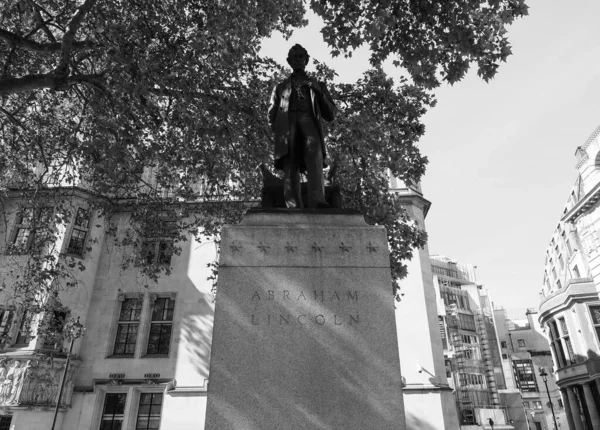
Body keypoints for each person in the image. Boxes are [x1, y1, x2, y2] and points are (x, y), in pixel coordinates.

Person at [267, 44, 336, 208]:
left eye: (300, 57)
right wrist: (277, 132)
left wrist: (319, 92)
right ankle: (293, 204)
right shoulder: (280, 87)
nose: (297, 60)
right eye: (294, 57)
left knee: (315, 158)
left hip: (308, 121)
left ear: (307, 60)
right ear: (288, 61)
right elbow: (272, 113)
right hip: (287, 125)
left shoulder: (318, 85)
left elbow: (331, 114)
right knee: (290, 162)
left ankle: (318, 200)